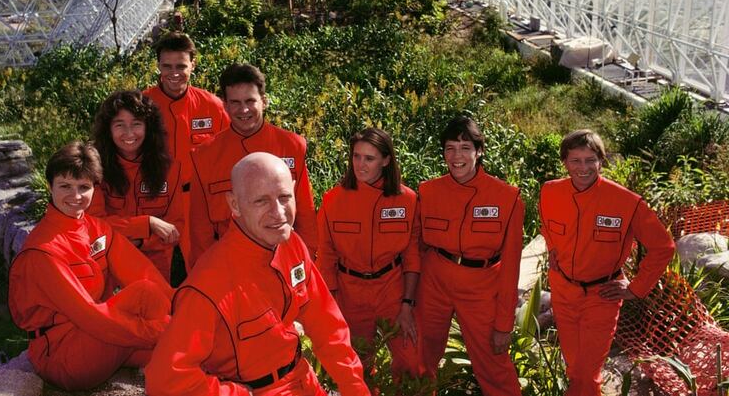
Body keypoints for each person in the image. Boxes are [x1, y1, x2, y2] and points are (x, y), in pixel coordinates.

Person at [145, 152, 370, 396]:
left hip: (303, 381)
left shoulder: (291, 244)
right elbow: (163, 379)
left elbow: (327, 325)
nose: (279, 213)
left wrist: (355, 388)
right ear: (234, 205)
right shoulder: (208, 285)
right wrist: (232, 393)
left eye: (284, 197)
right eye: (261, 201)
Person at [8, 141, 173, 391]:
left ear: (95, 188)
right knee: (170, 342)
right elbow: (92, 318)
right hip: (63, 355)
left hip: (99, 338)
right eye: (65, 186)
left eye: (84, 187)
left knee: (150, 296)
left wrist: (183, 309)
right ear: (50, 186)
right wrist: (161, 330)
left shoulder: (97, 229)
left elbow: (145, 274)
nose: (75, 196)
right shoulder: (42, 251)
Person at [539, 129, 674, 396]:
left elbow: (663, 247)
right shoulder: (550, 191)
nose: (583, 168)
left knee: (586, 372)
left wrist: (635, 288)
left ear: (601, 161)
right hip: (563, 290)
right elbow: (546, 223)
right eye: (575, 160)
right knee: (574, 367)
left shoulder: (627, 202)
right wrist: (553, 247)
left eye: (590, 160)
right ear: (564, 162)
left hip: (602, 296)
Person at [415, 116, 523, 396]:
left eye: (465, 148)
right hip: (434, 282)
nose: (456, 156)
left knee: (494, 363)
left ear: (479, 151)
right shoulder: (428, 191)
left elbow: (511, 266)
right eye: (450, 148)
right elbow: (417, 247)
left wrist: (504, 323)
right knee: (420, 357)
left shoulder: (507, 197)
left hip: (482, 287)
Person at [189, 63, 319, 267]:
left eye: (250, 101)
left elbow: (305, 214)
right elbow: (200, 228)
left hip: (283, 259)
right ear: (225, 105)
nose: (244, 110)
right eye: (235, 102)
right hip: (230, 264)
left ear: (264, 101)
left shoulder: (291, 146)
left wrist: (305, 262)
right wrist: (209, 270)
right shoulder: (204, 156)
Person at [316, 128, 421, 378]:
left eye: (369, 158)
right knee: (357, 366)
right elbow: (326, 256)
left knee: (410, 360)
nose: (360, 165)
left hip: (391, 290)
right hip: (349, 292)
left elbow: (412, 255)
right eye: (356, 156)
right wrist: (332, 303)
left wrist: (407, 305)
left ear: (386, 161)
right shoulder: (333, 200)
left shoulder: (407, 200)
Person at [88, 90, 188, 284]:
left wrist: (140, 241)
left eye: (136, 124)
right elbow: (94, 224)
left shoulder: (170, 169)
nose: (129, 133)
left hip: (155, 269)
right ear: (108, 129)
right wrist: (147, 224)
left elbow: (176, 229)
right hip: (109, 266)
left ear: (149, 127)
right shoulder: (95, 168)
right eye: (119, 125)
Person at [143, 31, 230, 177]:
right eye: (167, 66)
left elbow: (231, 150)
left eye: (181, 66)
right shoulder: (141, 105)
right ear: (159, 66)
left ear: (192, 65)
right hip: (156, 189)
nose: (174, 73)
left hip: (200, 189)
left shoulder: (213, 106)